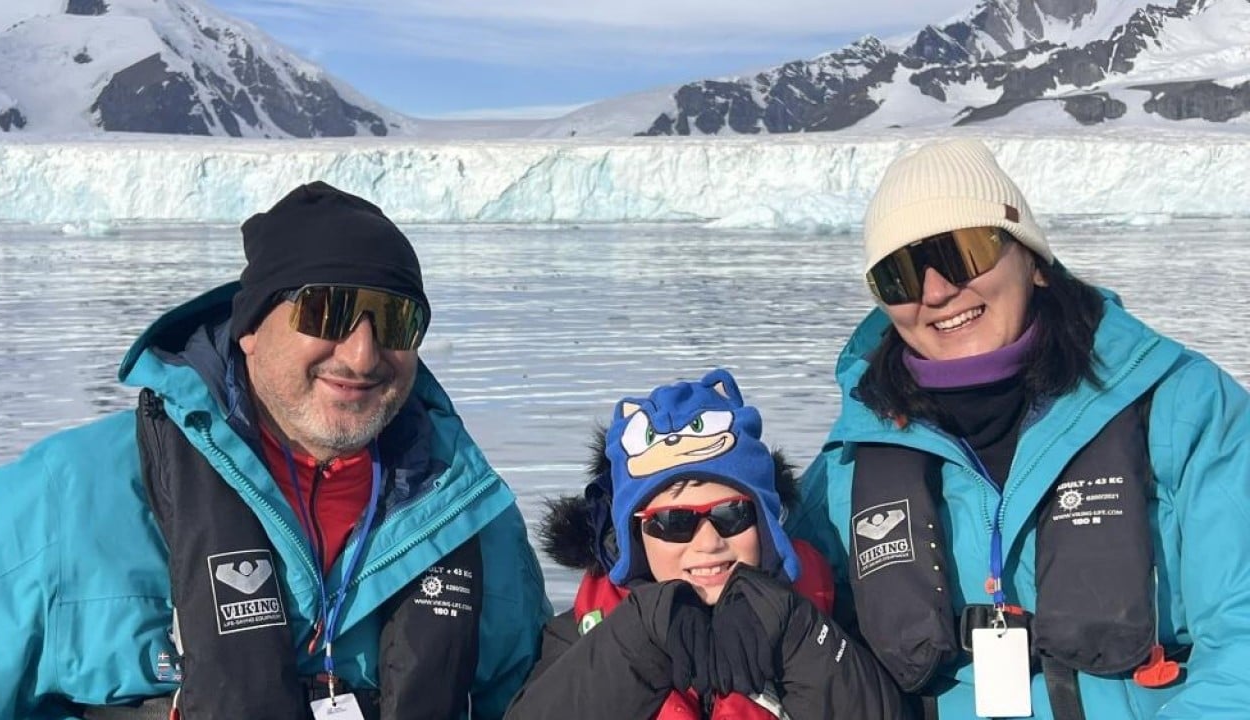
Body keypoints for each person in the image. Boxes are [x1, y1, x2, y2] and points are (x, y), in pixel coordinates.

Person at [0, 181, 551, 720]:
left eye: (396, 321)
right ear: (249, 327)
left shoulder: (473, 518)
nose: (362, 354)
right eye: (326, 310)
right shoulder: (60, 495)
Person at [787, 139, 1250, 719]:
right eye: (900, 275)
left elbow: (1244, 639)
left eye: (961, 253)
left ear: (1031, 260)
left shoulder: (1184, 407)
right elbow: (781, 620)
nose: (935, 291)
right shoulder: (853, 459)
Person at [506, 369, 911, 719]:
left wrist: (792, 630)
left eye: (731, 515)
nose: (708, 543)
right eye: (673, 522)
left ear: (765, 522)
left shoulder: (832, 611)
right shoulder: (584, 630)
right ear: (634, 536)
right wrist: (639, 635)